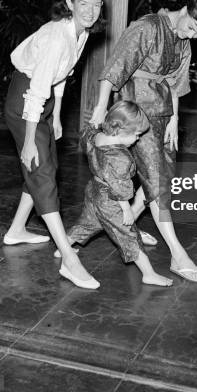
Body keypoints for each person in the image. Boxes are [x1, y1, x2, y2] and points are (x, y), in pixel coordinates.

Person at [90, 0, 197, 282]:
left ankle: (122, 225)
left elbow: (176, 83)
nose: (193, 36)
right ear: (186, 11)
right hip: (137, 112)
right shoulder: (147, 27)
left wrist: (175, 119)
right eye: (193, 28)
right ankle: (177, 253)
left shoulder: (184, 42)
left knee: (165, 175)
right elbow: (115, 68)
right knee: (156, 179)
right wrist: (101, 107)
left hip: (163, 111)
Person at [3, 0, 104, 290]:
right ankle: (69, 260)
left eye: (96, 5)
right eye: (83, 4)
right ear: (70, 4)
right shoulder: (56, 36)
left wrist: (57, 114)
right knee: (42, 171)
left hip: (42, 102)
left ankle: (17, 229)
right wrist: (31, 138)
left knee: (45, 169)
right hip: (25, 102)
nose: (90, 10)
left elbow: (62, 75)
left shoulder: (81, 32)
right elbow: (35, 91)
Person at [55, 101, 173, 287]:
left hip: (93, 190)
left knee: (88, 222)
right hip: (111, 201)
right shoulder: (121, 158)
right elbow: (120, 188)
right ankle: (149, 273)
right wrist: (126, 209)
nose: (137, 139)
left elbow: (88, 131)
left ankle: (62, 248)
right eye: (135, 134)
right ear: (119, 131)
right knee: (129, 235)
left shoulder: (93, 136)